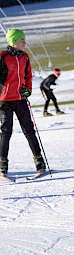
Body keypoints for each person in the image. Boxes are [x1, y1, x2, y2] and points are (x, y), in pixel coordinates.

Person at [0, 28, 47, 178]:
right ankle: (2, 167)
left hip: (20, 99)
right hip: (4, 101)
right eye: (22, 40)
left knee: (29, 130)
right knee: (6, 133)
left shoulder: (24, 57)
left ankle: (40, 164)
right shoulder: (3, 57)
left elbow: (28, 76)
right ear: (14, 42)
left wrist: (28, 90)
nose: (24, 43)